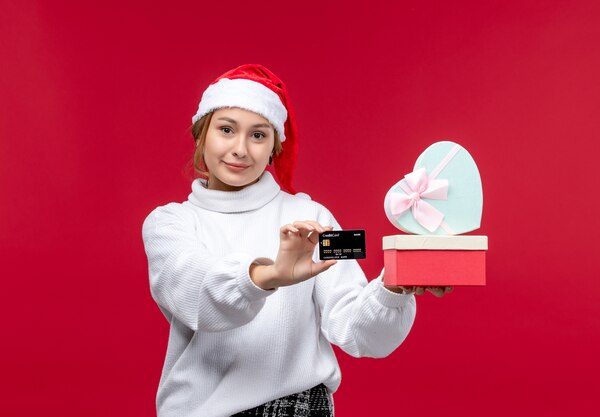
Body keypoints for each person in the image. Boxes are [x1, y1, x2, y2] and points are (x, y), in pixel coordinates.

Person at [142, 64, 452, 417]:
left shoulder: (313, 219)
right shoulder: (169, 223)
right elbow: (197, 296)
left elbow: (358, 331)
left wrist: (393, 288)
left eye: (258, 135)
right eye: (226, 130)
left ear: (275, 146)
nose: (240, 149)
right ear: (201, 135)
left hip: (301, 408)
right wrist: (270, 275)